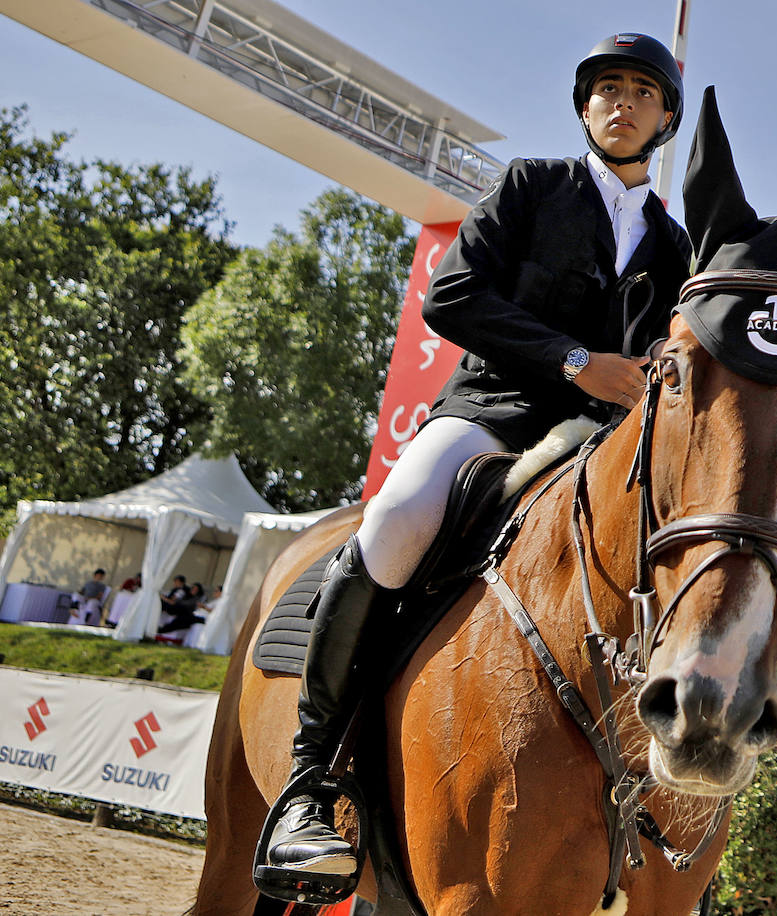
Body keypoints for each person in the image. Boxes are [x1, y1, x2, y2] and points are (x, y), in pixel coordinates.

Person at [260, 32, 692, 882]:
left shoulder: (676, 249)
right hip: (492, 414)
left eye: (642, 90)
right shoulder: (533, 185)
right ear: (585, 106)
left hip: (598, 447)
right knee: (393, 522)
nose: (622, 101)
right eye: (607, 87)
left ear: (665, 116)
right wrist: (577, 362)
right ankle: (309, 786)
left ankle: (656, 812)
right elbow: (451, 294)